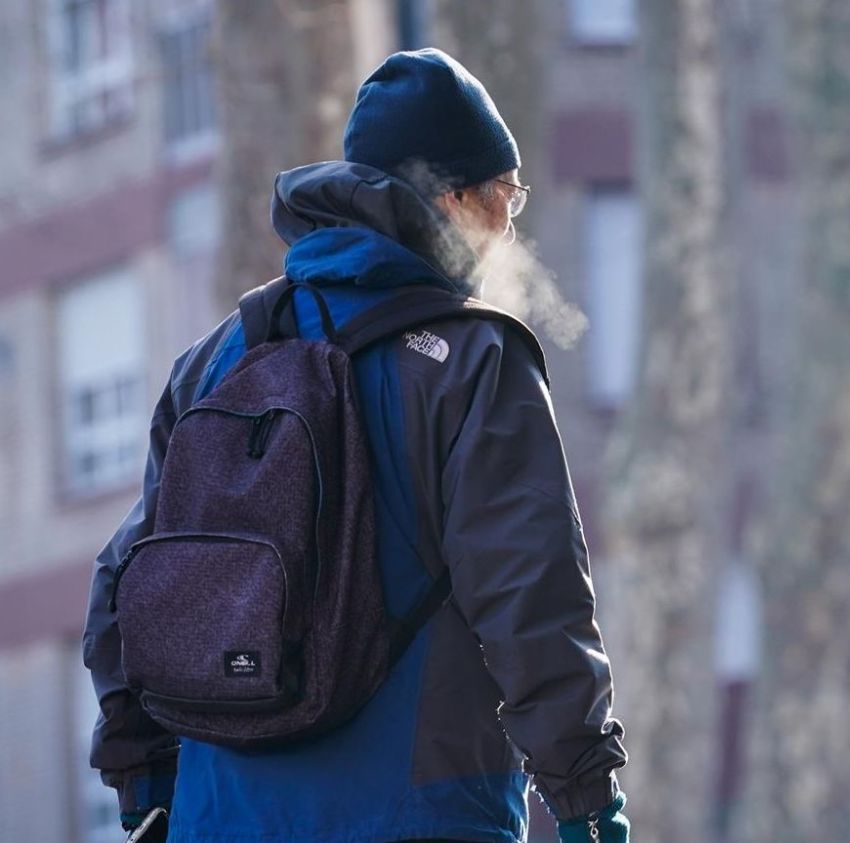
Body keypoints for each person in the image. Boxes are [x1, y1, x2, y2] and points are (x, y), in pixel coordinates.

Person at [81, 49, 630, 843]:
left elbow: (122, 585)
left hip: (218, 817)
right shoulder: (474, 361)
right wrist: (587, 797)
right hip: (423, 815)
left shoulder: (214, 361)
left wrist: (143, 781)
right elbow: (532, 596)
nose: (512, 224)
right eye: (505, 198)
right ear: (453, 198)